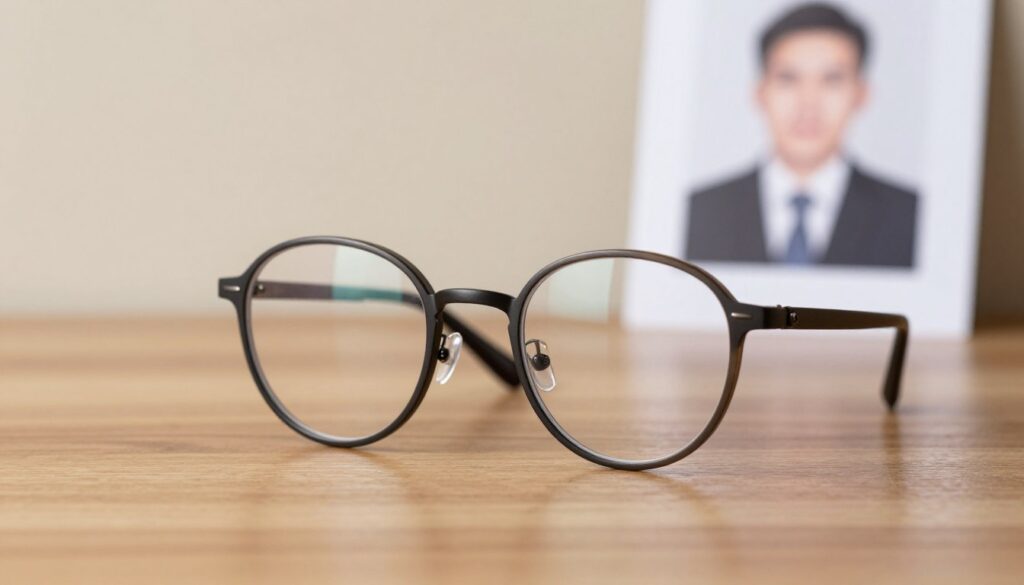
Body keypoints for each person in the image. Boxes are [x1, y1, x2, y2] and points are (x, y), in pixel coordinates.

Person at [684, 2, 917, 268]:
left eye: (831, 80)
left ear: (861, 94)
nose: (808, 104)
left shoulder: (907, 215)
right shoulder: (702, 211)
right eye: (788, 78)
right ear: (760, 92)